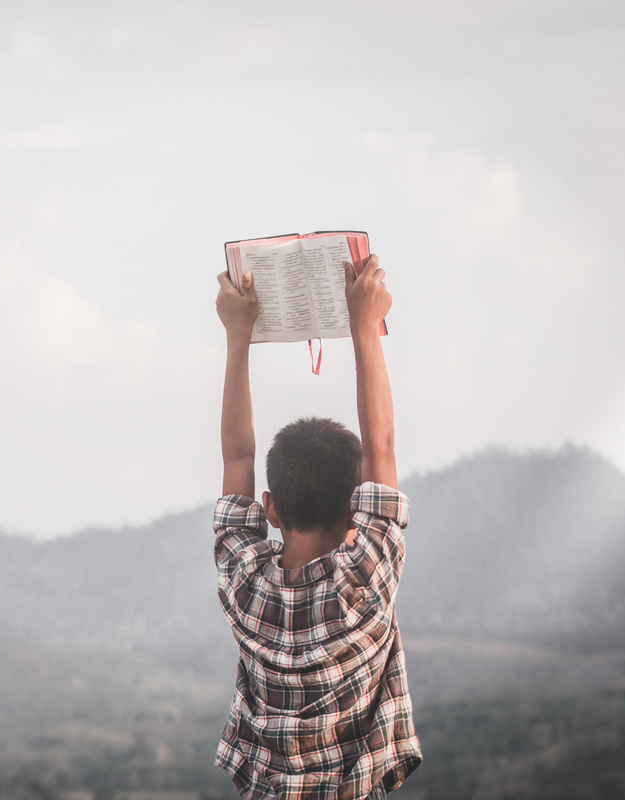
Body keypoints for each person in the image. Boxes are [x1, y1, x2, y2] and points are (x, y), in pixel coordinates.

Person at [212, 255, 422, 800]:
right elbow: (381, 447)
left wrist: (239, 336)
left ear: (270, 508)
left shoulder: (246, 586)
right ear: (358, 510)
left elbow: (238, 455)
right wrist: (364, 329)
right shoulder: (364, 584)